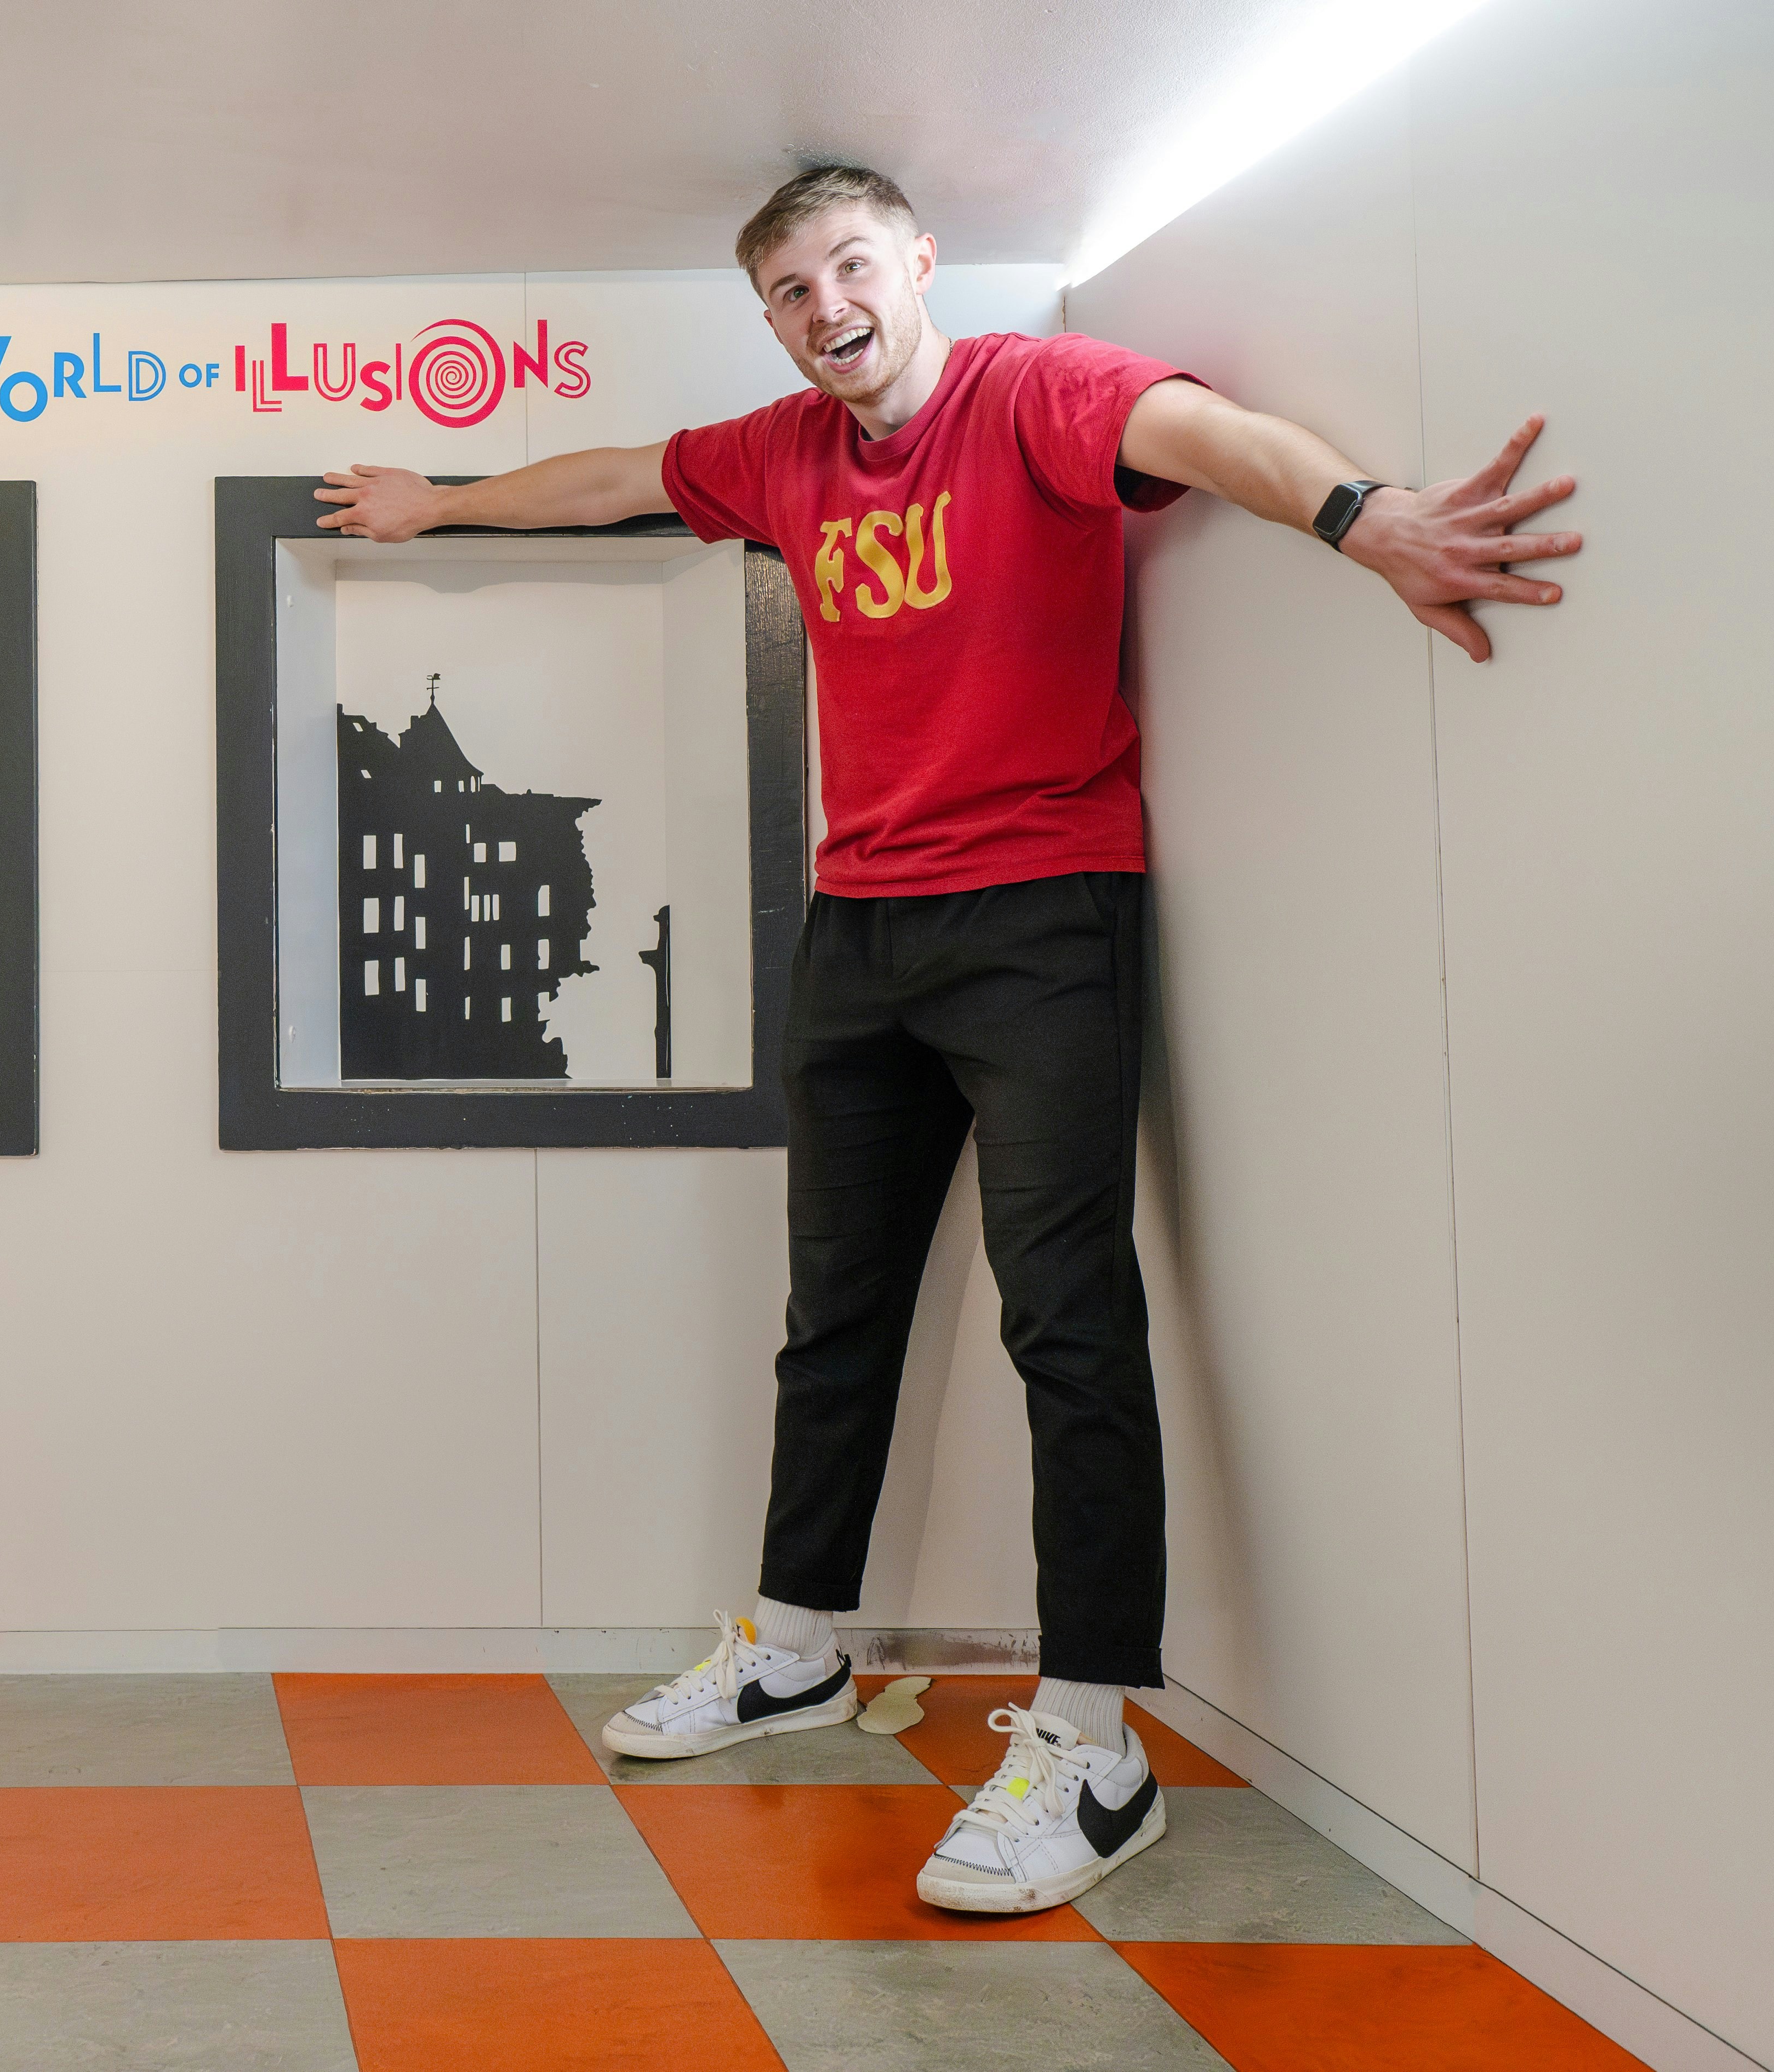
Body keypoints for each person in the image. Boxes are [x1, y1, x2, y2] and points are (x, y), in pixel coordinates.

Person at [318, 165, 1578, 1913]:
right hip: (860, 928)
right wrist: (441, 503)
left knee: (1068, 1314)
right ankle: (799, 1644)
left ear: (914, 264)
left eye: (846, 265)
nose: (821, 304)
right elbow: (616, 476)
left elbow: (1210, 438)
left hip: (1044, 909)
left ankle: (1095, 1740)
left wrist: (1366, 521)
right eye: (783, 288)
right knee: (832, 1309)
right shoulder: (779, 452)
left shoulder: (1031, 394)